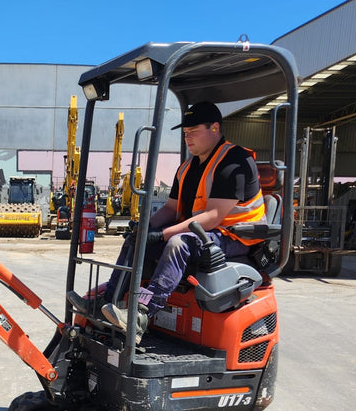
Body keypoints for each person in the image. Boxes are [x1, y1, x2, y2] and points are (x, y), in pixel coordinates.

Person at [68, 101, 265, 335]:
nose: (187, 138)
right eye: (185, 133)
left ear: (215, 128)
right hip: (204, 235)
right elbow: (171, 209)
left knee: (177, 243)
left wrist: (162, 234)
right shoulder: (186, 168)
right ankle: (106, 301)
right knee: (136, 241)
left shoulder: (234, 162)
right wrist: (145, 228)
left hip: (235, 238)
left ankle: (141, 315)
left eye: (193, 131)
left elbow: (212, 217)